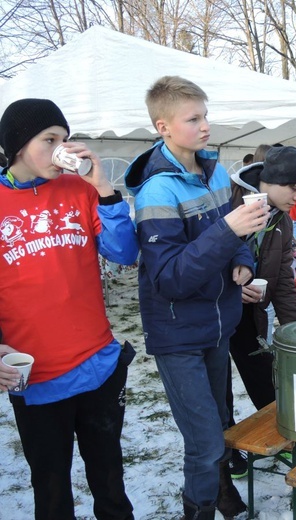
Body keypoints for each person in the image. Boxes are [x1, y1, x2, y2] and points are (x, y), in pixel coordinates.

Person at [125, 76, 266, 519]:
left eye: (205, 115)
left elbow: (229, 237)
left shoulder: (215, 171)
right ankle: (201, 508)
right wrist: (231, 232)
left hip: (219, 322)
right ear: (163, 126)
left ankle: (221, 494)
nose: (205, 126)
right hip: (178, 334)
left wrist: (243, 257)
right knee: (204, 441)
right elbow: (169, 278)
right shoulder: (157, 192)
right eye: (193, 118)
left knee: (219, 424)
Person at [0, 98, 139, 519]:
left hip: (97, 363)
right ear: (20, 144)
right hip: (34, 376)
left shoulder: (79, 189)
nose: (64, 149)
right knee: (52, 487)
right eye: (51, 139)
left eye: (66, 138)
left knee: (110, 480)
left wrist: (104, 189)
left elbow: (124, 253)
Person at [227, 145, 296, 408]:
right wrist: (230, 288)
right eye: (294, 188)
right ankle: (227, 447)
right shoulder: (229, 199)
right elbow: (202, 254)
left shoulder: (282, 220)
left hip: (251, 311)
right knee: (218, 392)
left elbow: (284, 279)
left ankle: (280, 441)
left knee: (263, 378)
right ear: (274, 180)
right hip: (213, 308)